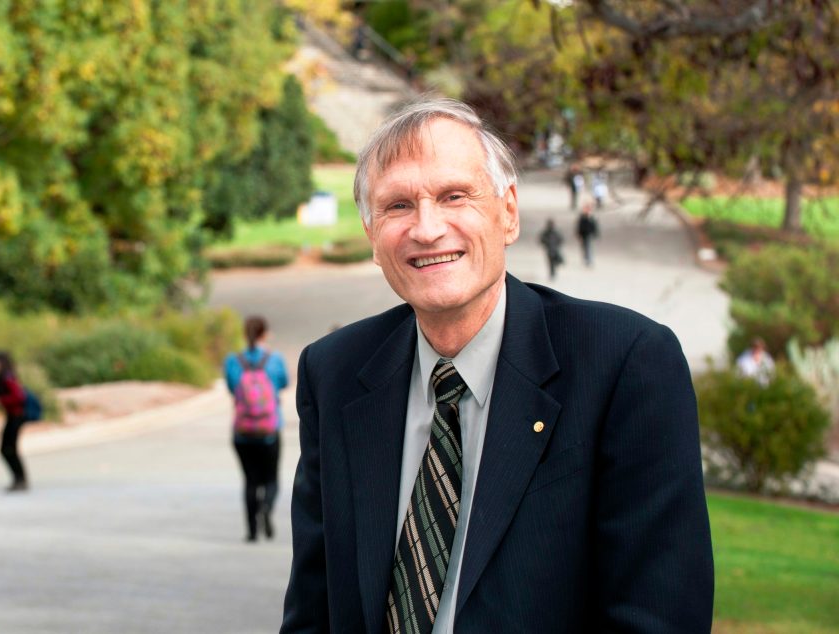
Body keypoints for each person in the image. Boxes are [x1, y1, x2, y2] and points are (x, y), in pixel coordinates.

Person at [281, 99, 713, 632]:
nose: (427, 228)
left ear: (508, 212)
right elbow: (313, 611)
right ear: (373, 238)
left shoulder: (626, 363)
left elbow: (659, 616)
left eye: (453, 196)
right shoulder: (334, 373)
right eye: (397, 205)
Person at [224, 317, 289, 542]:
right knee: (271, 478)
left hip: (242, 432)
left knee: (250, 480)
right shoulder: (274, 359)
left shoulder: (233, 360)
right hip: (269, 430)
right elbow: (283, 382)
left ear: (245, 334)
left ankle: (251, 532)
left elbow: (232, 387)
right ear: (265, 333)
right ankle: (266, 507)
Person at [0, 351, 29, 492]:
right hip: (12, 415)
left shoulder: (8, 377)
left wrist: (0, 401)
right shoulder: (3, 377)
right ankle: (18, 478)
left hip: (16, 415)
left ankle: (20, 479)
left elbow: (18, 396)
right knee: (7, 448)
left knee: (8, 448)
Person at [576, 200, 600, 266]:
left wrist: (595, 233)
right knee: (584, 247)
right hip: (583, 234)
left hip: (589, 234)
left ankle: (589, 259)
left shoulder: (591, 217)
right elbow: (579, 226)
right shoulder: (582, 217)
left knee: (588, 246)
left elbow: (594, 226)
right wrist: (579, 234)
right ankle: (586, 258)